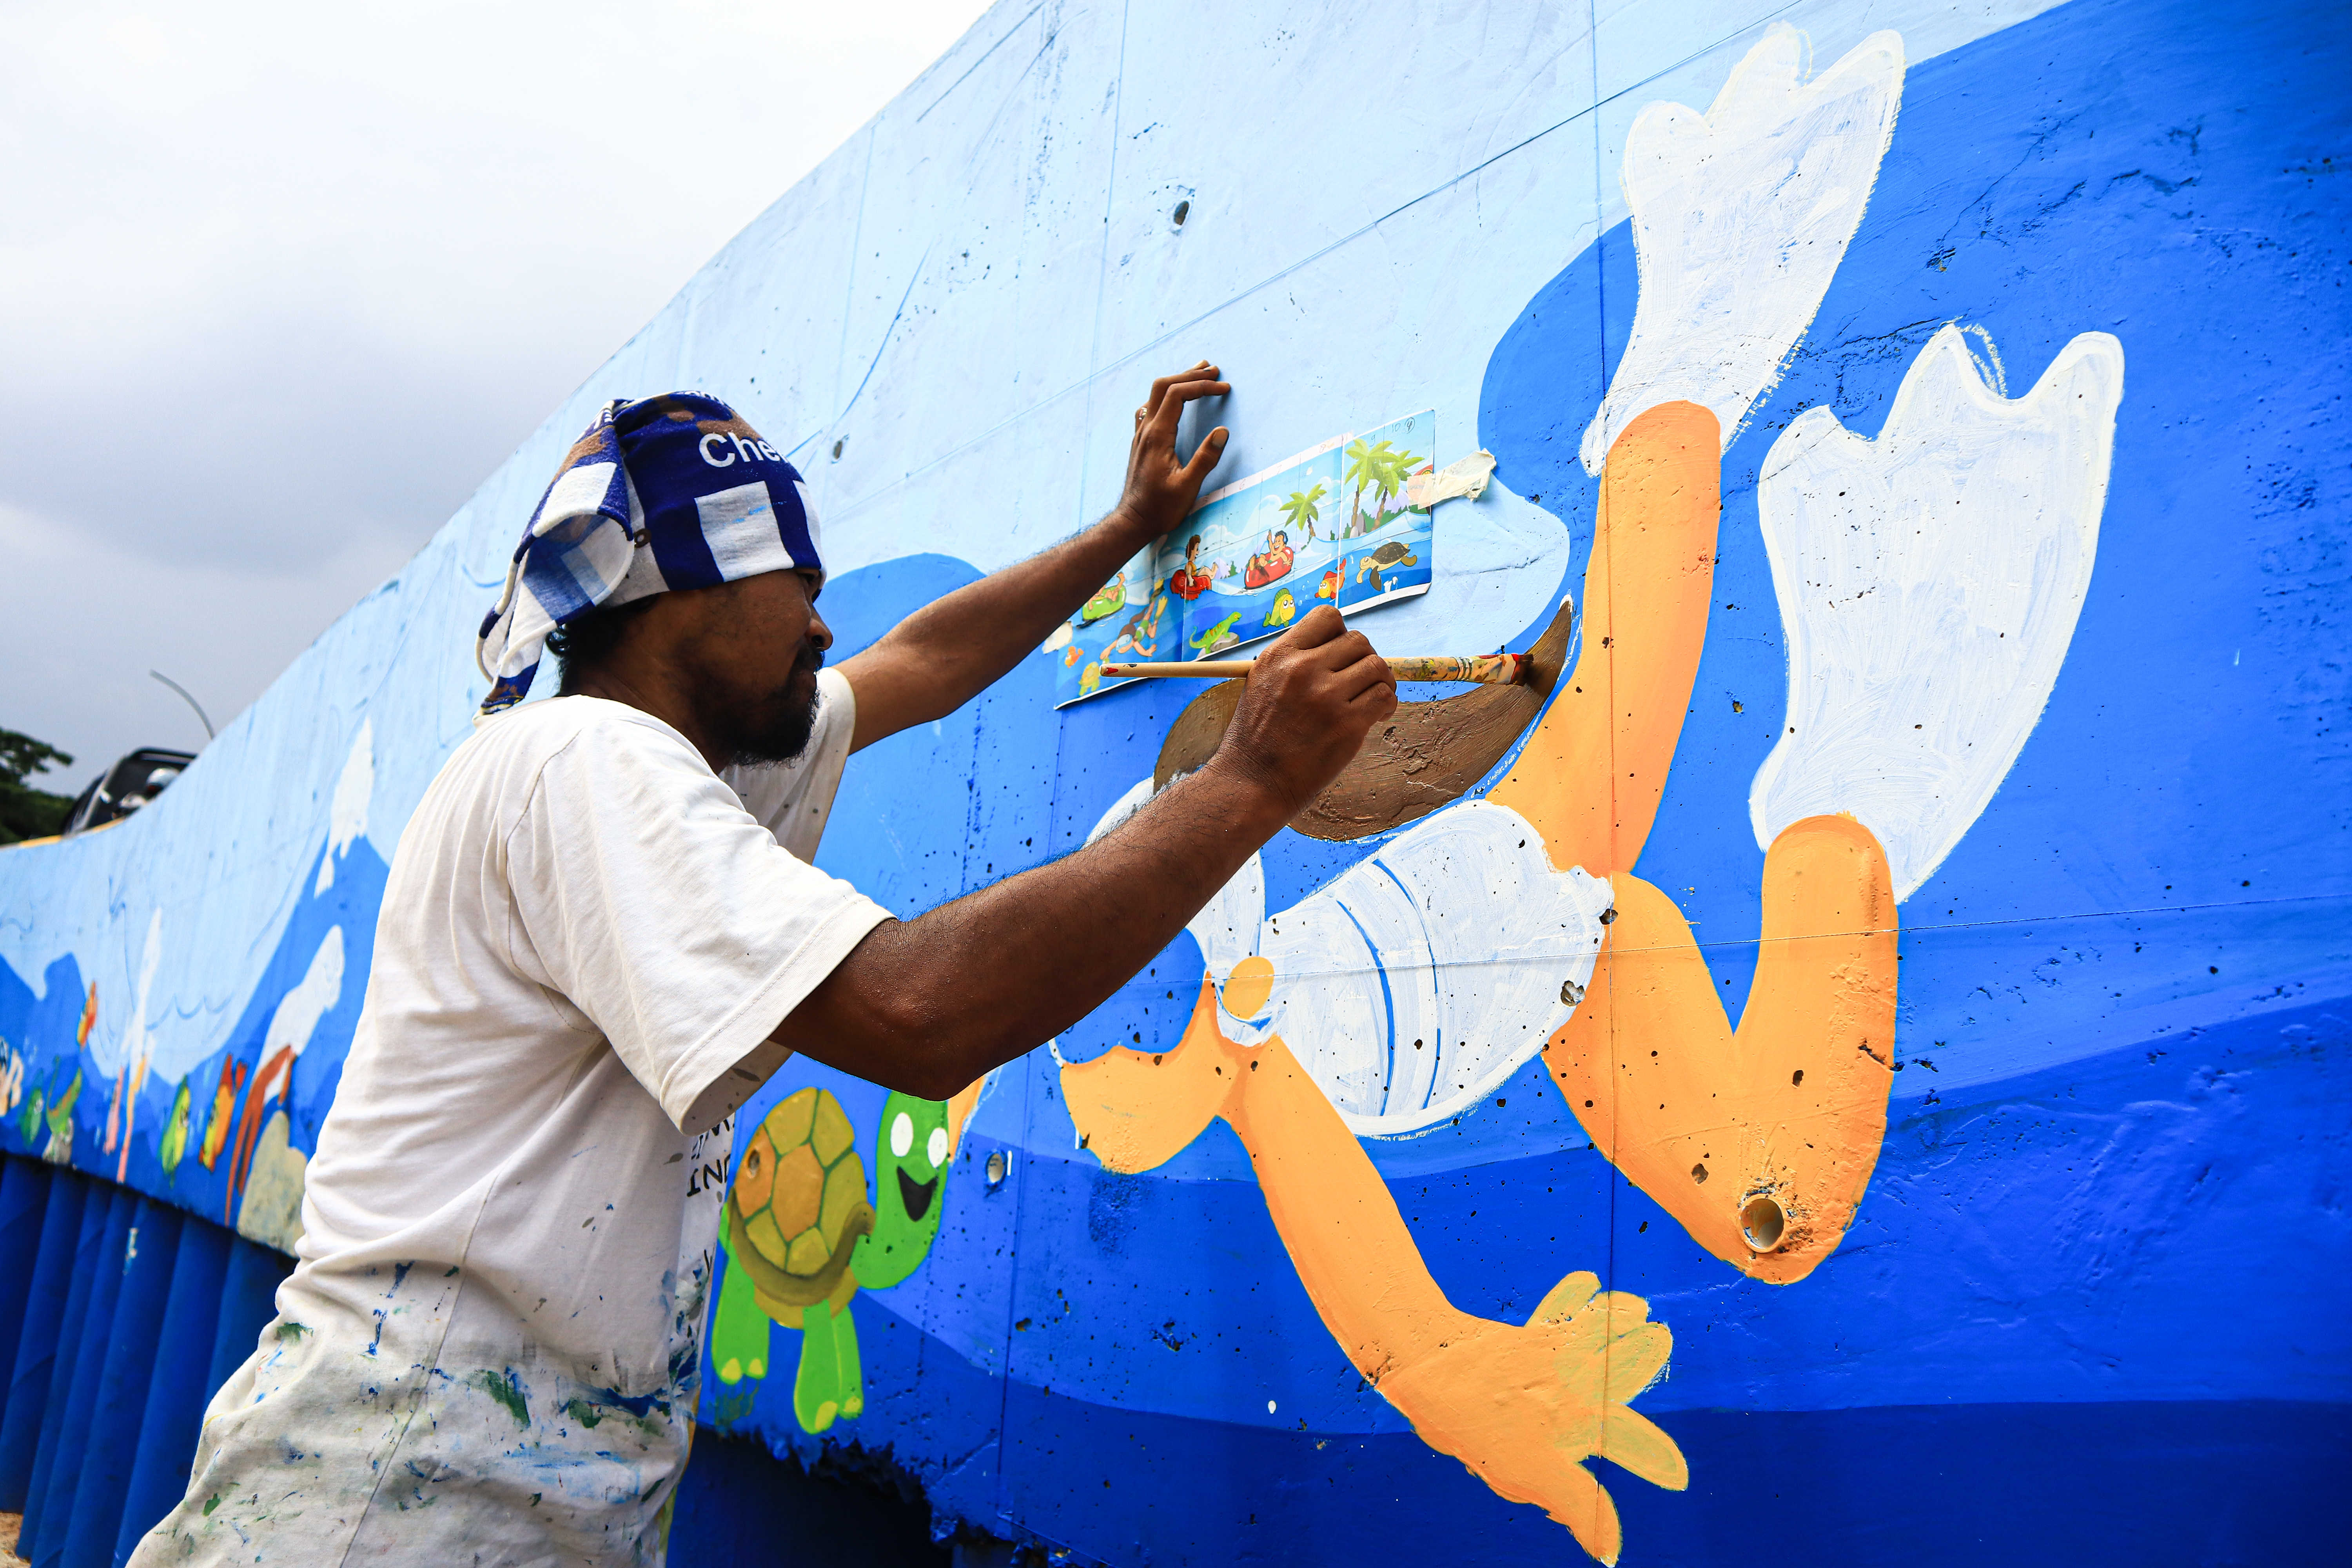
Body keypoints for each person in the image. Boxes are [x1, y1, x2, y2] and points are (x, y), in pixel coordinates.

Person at [131, 363, 1397, 1566]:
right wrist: (1252, 781)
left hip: (488, 1484)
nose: (824, 621)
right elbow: (919, 1014)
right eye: (800, 581)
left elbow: (927, 663)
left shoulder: (683, 762)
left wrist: (1125, 531)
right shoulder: (586, 766)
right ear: (693, 590)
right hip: (403, 1494)